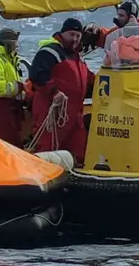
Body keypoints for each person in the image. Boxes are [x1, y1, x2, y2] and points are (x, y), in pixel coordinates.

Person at [28, 16, 96, 162]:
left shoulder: (79, 58)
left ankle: (76, 178)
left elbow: (89, 80)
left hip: (74, 115)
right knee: (47, 149)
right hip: (52, 113)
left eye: (78, 36)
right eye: (72, 35)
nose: (75, 39)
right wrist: (54, 92)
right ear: (62, 33)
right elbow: (37, 74)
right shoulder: (50, 52)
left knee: (78, 153)